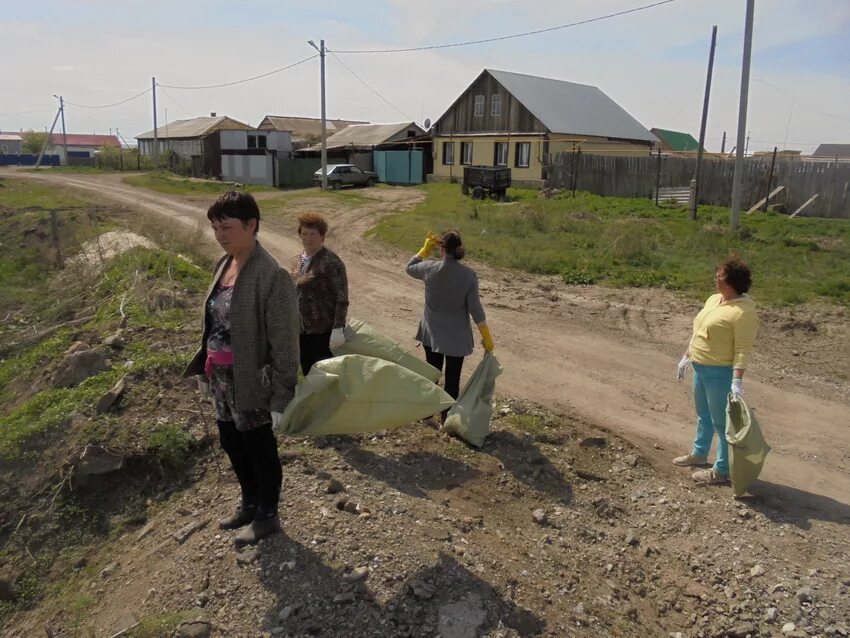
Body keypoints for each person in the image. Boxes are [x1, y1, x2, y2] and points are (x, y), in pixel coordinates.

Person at [184, 191, 300, 546]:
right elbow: (214, 323)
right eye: (216, 227)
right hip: (220, 378)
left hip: (252, 379)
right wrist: (205, 370)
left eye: (228, 227)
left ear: (252, 225)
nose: (220, 234)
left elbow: (285, 343)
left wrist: (282, 395)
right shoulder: (224, 264)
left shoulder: (272, 275)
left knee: (258, 446)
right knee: (231, 442)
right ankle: (249, 502)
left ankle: (268, 514)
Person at [673, 257, 759, 485]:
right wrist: (686, 357)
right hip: (700, 367)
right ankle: (699, 453)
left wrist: (736, 381)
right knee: (704, 415)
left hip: (719, 373)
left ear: (731, 282)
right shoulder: (714, 299)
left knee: (722, 423)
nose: (715, 278)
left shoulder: (743, 312)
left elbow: (742, 350)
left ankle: (721, 470)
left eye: (719, 276)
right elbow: (698, 330)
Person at [406, 230, 494, 423]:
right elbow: (475, 309)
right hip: (456, 338)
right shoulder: (469, 275)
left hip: (431, 334)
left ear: (441, 248)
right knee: (452, 380)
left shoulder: (429, 268)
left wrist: (424, 250)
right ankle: (448, 419)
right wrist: (486, 335)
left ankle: (427, 415)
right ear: (459, 249)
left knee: (432, 374)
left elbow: (409, 267)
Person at [290, 212, 349, 375]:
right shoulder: (296, 260)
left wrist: (338, 328)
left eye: (313, 234)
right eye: (304, 233)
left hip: (323, 332)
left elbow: (341, 298)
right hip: (302, 331)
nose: (308, 238)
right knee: (308, 372)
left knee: (325, 376)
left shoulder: (331, 262)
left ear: (322, 236)